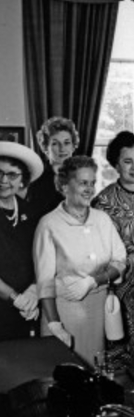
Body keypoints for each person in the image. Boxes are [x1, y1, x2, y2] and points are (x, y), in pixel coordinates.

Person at [34, 156, 126, 366]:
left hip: (97, 309)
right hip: (63, 311)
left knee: (94, 371)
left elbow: (120, 261)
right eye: (83, 183)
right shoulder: (49, 224)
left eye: (93, 183)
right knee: (65, 377)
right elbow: (45, 282)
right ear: (65, 186)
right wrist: (55, 325)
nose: (90, 189)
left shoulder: (102, 219)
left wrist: (94, 280)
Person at [92, 131, 134, 366]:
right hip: (119, 282)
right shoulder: (103, 201)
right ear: (116, 164)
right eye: (127, 161)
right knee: (121, 344)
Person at [0, 142, 44, 340]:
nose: (3, 180)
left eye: (12, 175)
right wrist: (17, 299)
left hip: (27, 309)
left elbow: (41, 257)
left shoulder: (32, 213)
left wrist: (34, 292)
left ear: (22, 180)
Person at [27, 117, 80, 219]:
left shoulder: (81, 175)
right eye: (55, 143)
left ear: (73, 146)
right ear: (46, 148)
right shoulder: (36, 178)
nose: (62, 148)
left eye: (67, 143)